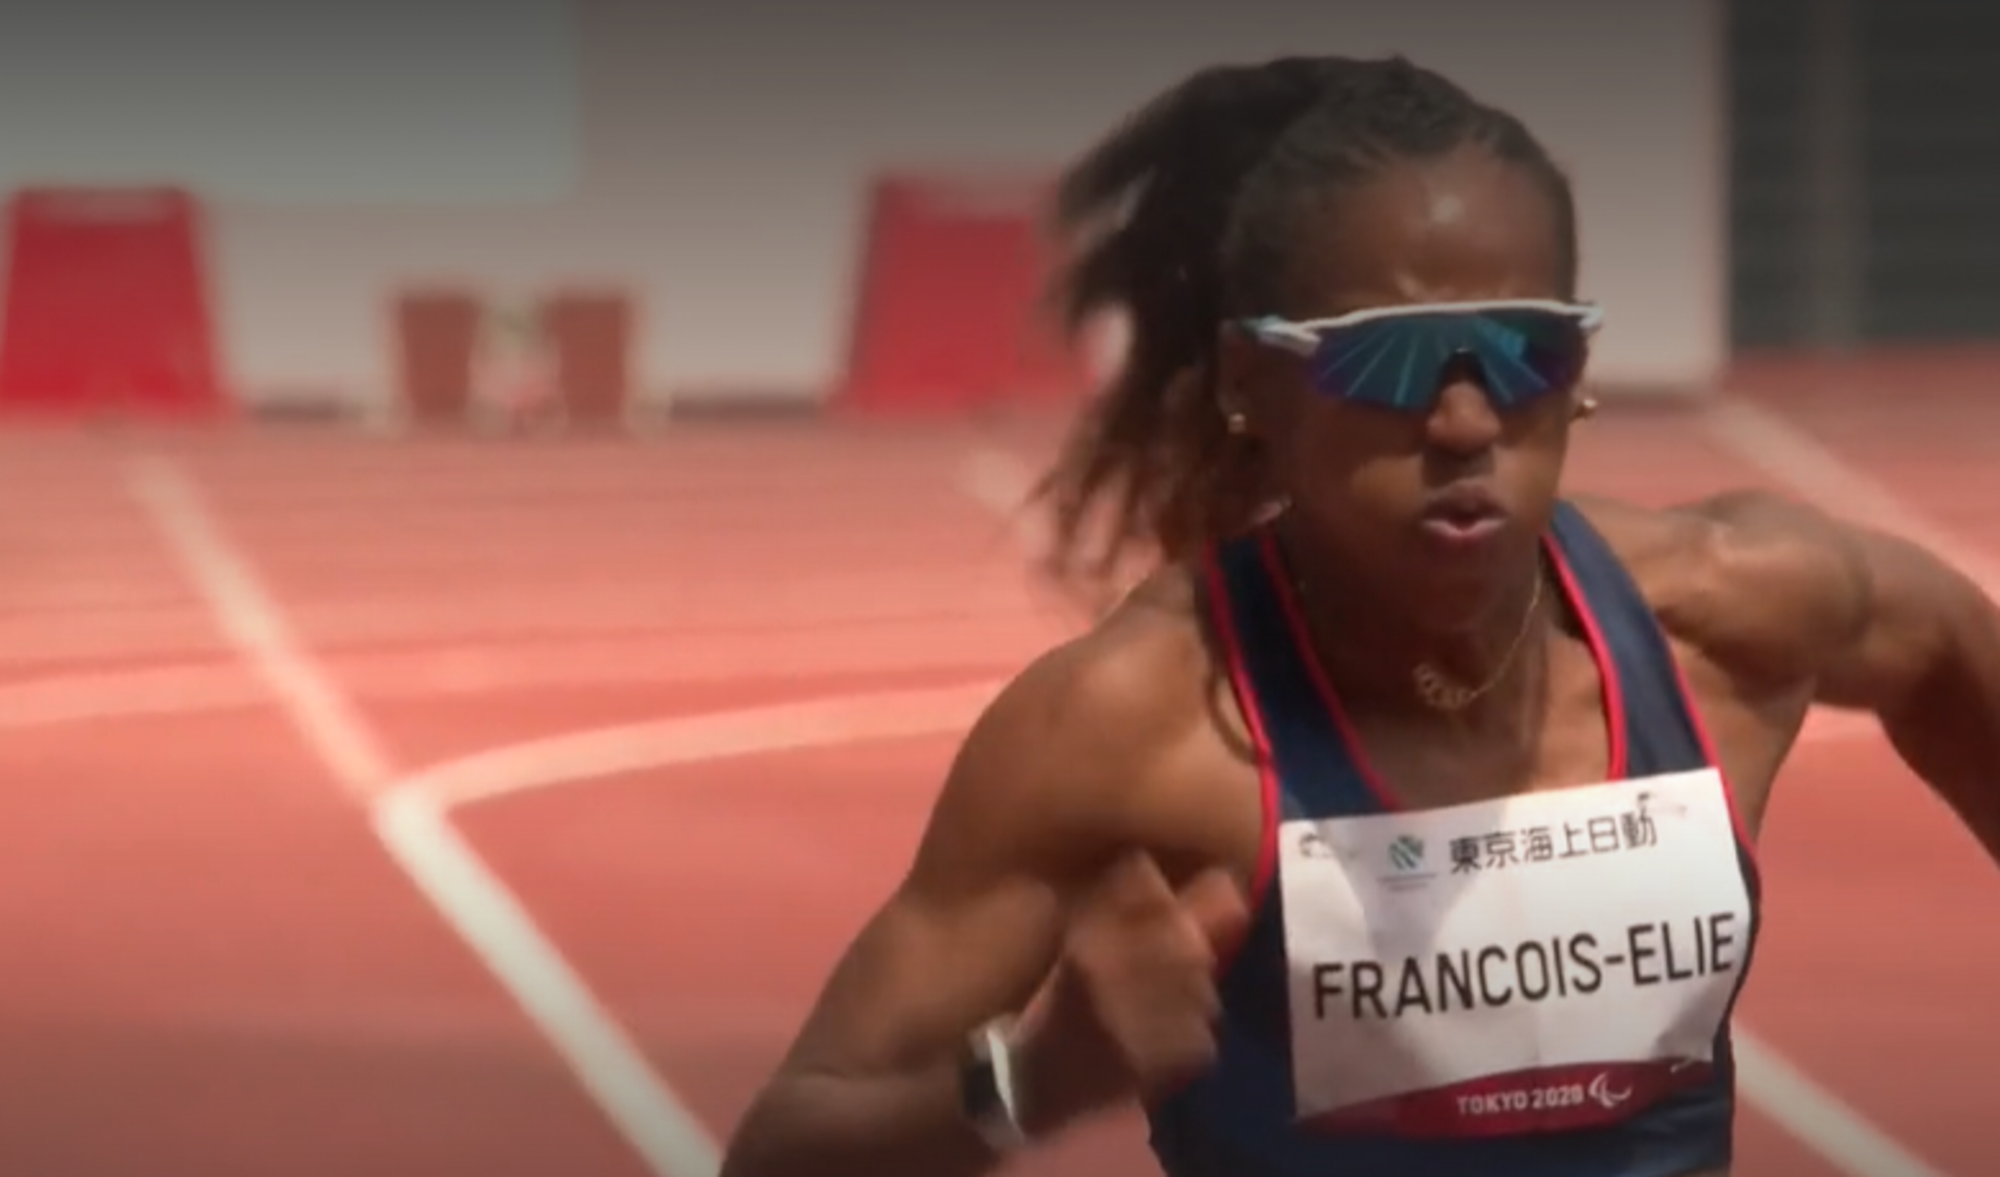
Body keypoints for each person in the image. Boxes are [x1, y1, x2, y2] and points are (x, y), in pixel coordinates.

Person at [717, 55, 2000, 1177]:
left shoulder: (1727, 621)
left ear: (1581, 375)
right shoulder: (1135, 731)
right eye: (1385, 358)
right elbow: (783, 1148)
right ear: (1250, 382)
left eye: (1521, 351)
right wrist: (1034, 1082)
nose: (1461, 422)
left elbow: (1946, 647)